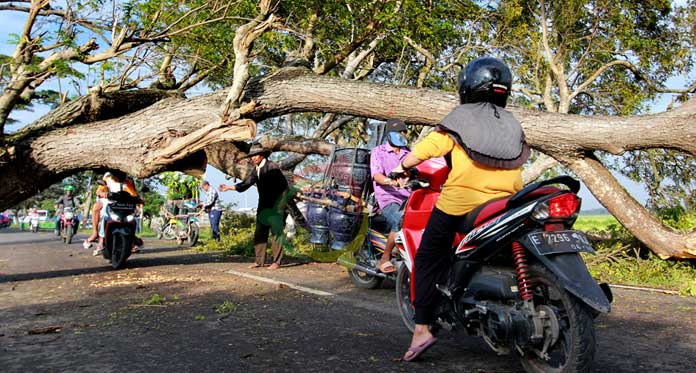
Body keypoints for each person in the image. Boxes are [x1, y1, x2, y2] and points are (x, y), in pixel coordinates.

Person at [393, 57, 531, 361]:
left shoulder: (460, 117)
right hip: (507, 203)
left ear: (467, 85)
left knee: (428, 256)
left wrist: (401, 166)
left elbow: (426, 150)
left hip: (462, 203)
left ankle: (422, 329)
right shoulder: (510, 122)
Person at [219, 144, 289, 269]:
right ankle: (259, 261)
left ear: (262, 155)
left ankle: (276, 262)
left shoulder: (272, 167)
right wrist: (229, 187)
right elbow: (247, 183)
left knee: (276, 233)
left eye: (255, 155)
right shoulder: (256, 169)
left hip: (276, 206)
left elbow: (284, 188)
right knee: (260, 233)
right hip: (263, 205)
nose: (253, 158)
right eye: (251, 156)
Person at [370, 118, 411, 274]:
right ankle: (385, 258)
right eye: (399, 132)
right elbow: (377, 175)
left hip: (409, 198)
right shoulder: (378, 151)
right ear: (389, 134)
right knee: (401, 219)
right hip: (388, 198)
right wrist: (391, 181)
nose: (403, 134)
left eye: (404, 132)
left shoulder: (409, 153)